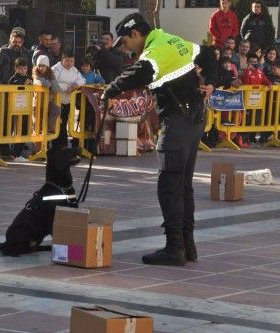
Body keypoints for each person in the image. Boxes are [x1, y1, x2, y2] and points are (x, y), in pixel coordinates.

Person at [102, 13, 217, 266]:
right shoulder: (171, 39)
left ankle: (174, 248)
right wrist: (211, 83)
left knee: (169, 186)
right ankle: (188, 245)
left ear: (136, 34)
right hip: (195, 119)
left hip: (177, 122)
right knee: (183, 185)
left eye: (125, 42)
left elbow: (141, 73)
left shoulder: (154, 51)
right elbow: (208, 54)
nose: (125, 48)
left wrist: (111, 89)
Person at [51, 50, 85, 148]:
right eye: (67, 61)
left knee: (64, 122)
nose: (69, 63)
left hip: (68, 101)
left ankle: (63, 144)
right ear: (62, 60)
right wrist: (66, 87)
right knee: (57, 123)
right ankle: (56, 145)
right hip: (56, 100)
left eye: (71, 61)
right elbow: (52, 81)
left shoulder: (74, 70)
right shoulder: (56, 69)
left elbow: (82, 79)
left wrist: (75, 84)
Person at [33, 55, 62, 134]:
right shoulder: (36, 75)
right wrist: (50, 82)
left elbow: (56, 89)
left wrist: (51, 81)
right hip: (39, 103)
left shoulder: (51, 75)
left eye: (43, 66)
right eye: (39, 66)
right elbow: (45, 84)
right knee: (38, 123)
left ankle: (49, 127)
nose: (41, 68)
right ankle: (37, 144)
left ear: (47, 67)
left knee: (57, 110)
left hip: (48, 101)